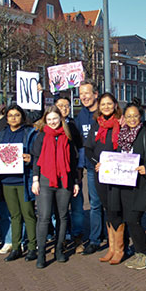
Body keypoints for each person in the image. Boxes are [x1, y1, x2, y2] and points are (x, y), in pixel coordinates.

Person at [31, 105, 81, 268]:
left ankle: (59, 249)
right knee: (44, 217)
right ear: (45, 120)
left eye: (55, 118)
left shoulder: (68, 135)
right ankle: (41, 254)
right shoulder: (41, 136)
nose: (52, 122)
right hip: (46, 179)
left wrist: (75, 181)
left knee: (63, 215)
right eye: (49, 119)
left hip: (64, 180)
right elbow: (36, 159)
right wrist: (35, 180)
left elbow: (73, 161)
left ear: (61, 118)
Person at [0, 105, 38, 262]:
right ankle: (16, 247)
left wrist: (31, 158)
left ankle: (32, 247)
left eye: (16, 115)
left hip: (23, 179)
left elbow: (36, 154)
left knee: (29, 214)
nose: (13, 118)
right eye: (10, 115)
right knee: (15, 215)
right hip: (7, 181)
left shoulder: (30, 133)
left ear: (22, 117)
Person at [115, 101, 146, 270]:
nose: (132, 119)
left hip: (141, 184)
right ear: (124, 118)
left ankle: (144, 255)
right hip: (125, 185)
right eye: (129, 116)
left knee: (134, 220)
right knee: (129, 220)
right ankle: (140, 253)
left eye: (135, 116)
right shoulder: (122, 134)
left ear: (141, 117)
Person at [85, 92, 125, 265]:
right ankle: (111, 247)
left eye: (109, 104)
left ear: (115, 105)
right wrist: (97, 162)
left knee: (117, 209)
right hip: (101, 173)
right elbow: (88, 149)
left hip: (118, 173)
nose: (106, 107)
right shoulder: (96, 125)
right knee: (107, 209)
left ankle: (120, 249)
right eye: (103, 104)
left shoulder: (122, 124)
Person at [74, 80, 104, 255]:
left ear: (95, 94)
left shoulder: (105, 111)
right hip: (92, 167)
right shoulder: (81, 116)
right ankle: (95, 239)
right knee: (95, 204)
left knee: (113, 204)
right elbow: (79, 143)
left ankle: (118, 238)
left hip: (109, 165)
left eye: (87, 93)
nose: (83, 97)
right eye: (81, 94)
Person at [55, 95, 85, 253]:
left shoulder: (73, 125)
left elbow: (80, 149)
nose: (64, 109)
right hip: (55, 174)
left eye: (67, 106)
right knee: (59, 208)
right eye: (61, 106)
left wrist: (80, 169)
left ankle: (77, 236)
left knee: (77, 207)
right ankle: (62, 237)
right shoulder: (48, 126)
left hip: (72, 172)